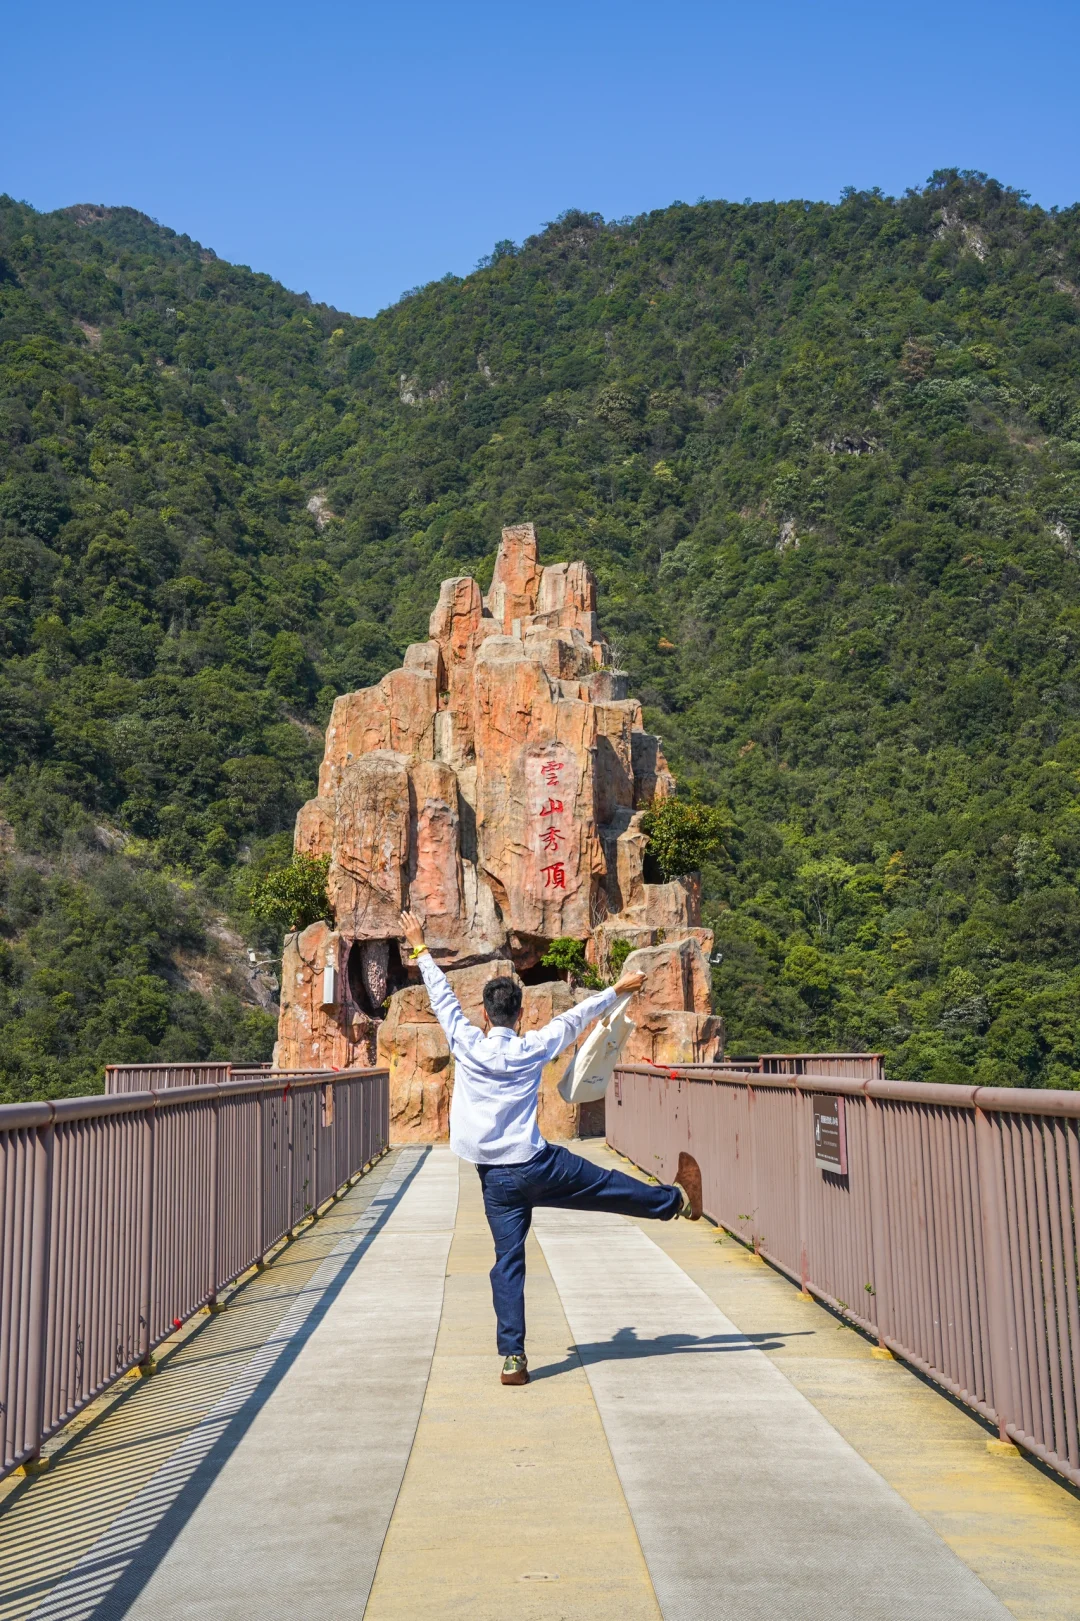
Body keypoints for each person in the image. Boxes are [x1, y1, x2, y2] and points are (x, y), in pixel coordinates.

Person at [399, 910, 703, 1386]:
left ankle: (513, 1358)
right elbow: (575, 1019)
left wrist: (420, 947)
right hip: (538, 1164)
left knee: (507, 1261)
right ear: (519, 1014)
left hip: (495, 1179)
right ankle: (675, 1202)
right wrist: (617, 991)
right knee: (606, 1188)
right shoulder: (532, 1047)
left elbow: (441, 998)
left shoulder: (466, 1044)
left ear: (484, 1013)